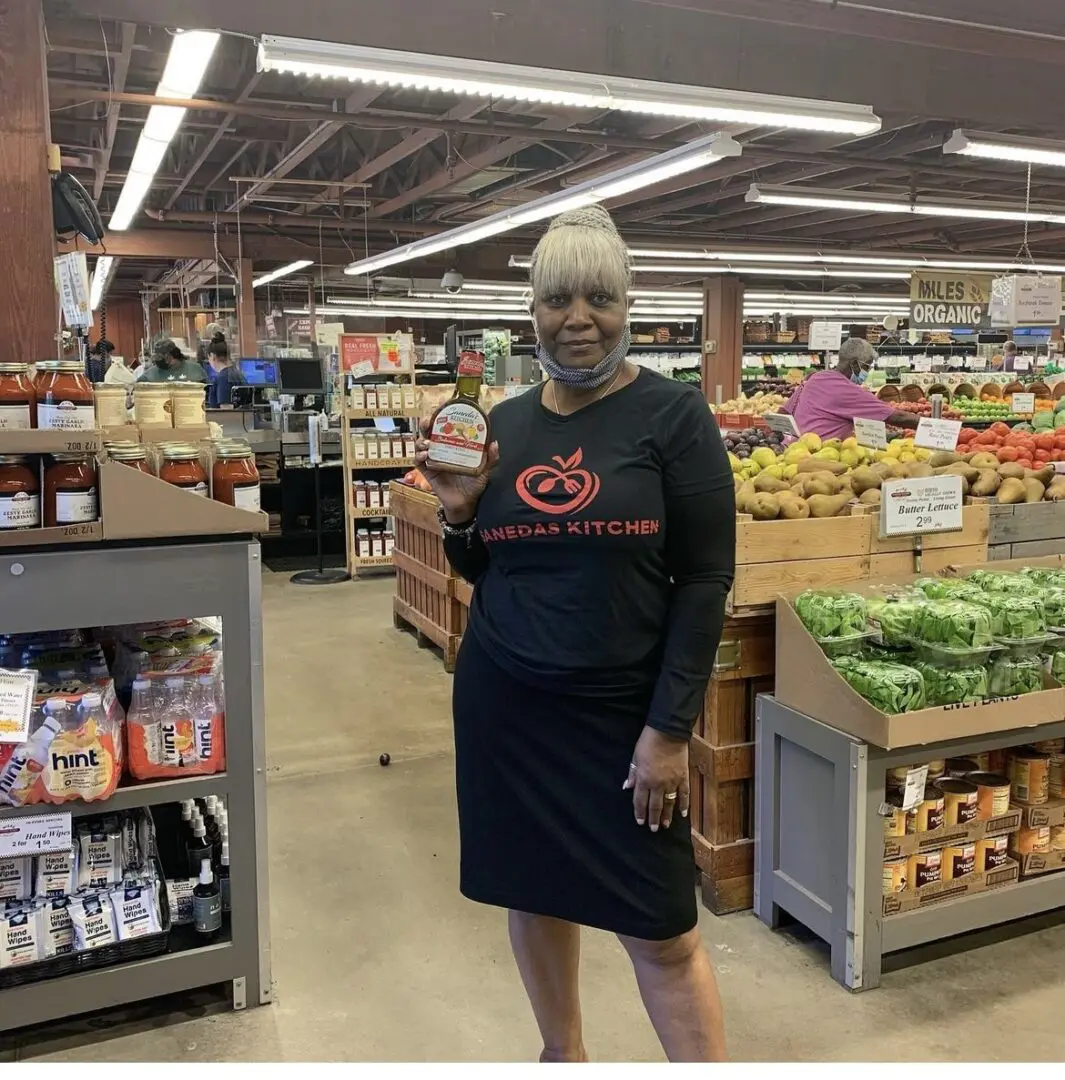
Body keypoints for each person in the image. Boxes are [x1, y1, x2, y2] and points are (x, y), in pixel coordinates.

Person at [417, 206, 734, 1063]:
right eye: (559, 298)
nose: (578, 317)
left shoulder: (673, 417)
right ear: (533, 311)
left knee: (661, 928)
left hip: (623, 714)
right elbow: (492, 567)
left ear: (628, 306)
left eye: (599, 297)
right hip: (506, 706)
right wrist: (457, 519)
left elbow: (705, 582)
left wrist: (668, 732)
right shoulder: (504, 427)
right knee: (535, 892)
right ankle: (563, 1055)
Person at [780, 338, 918, 439]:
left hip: (794, 451)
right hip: (819, 456)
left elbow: (783, 411)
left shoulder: (814, 377)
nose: (867, 371)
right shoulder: (848, 390)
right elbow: (898, 417)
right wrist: (935, 426)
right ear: (854, 364)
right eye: (867, 366)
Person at [139, 339, 208, 383]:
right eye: (155, 357)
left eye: (159, 357)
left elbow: (210, 392)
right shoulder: (150, 375)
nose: (156, 360)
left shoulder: (195, 369)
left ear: (170, 356)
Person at [206, 336, 247, 406]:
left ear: (213, 356)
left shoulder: (223, 378)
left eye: (208, 358)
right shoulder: (236, 372)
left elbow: (226, 410)